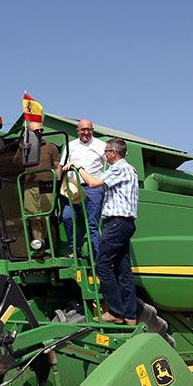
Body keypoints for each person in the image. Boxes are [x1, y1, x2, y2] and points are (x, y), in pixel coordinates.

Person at [70, 137, 138, 325]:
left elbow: (92, 183)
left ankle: (115, 311)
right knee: (123, 270)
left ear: (113, 153)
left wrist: (78, 167)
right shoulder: (127, 169)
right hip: (126, 224)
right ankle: (130, 315)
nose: (105, 153)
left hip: (116, 223)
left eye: (107, 151)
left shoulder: (118, 168)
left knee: (102, 264)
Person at [60, 119, 106, 258]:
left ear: (92, 130)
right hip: (73, 188)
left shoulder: (101, 145)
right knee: (67, 216)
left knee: (92, 223)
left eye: (89, 129)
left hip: (93, 188)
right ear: (77, 131)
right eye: (83, 129)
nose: (86, 132)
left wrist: (127, 165)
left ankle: (98, 257)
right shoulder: (70, 145)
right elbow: (62, 165)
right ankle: (75, 250)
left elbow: (112, 161)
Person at [23, 121, 60, 246]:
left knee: (47, 215)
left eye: (41, 130)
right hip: (30, 185)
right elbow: (16, 162)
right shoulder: (24, 148)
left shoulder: (50, 147)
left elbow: (57, 166)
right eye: (35, 131)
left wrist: (58, 182)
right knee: (33, 217)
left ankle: (51, 245)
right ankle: (39, 245)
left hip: (47, 185)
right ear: (29, 133)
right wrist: (23, 148)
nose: (39, 133)